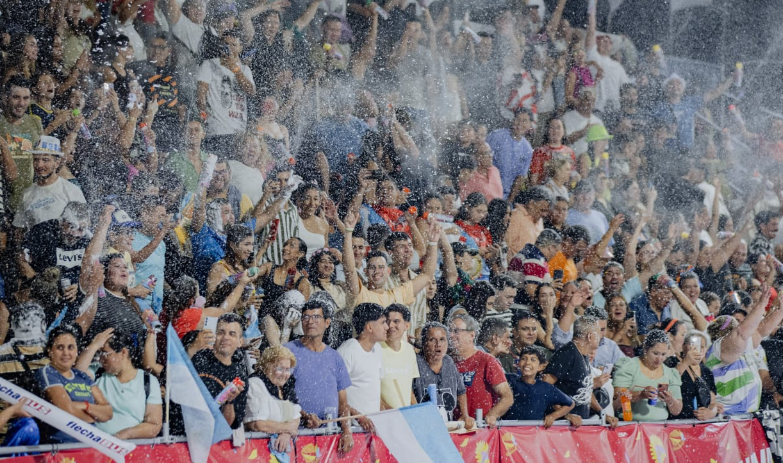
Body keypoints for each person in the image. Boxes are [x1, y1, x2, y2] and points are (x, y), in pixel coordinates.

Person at [284, 300, 356, 453]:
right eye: (305, 317)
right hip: (293, 437)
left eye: (316, 317)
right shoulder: (287, 352)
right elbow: (278, 394)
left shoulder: (335, 357)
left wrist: (347, 431)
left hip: (329, 440)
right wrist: (303, 416)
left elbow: (343, 403)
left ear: (327, 322)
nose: (310, 321)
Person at [705, 288, 783, 414]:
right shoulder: (718, 347)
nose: (741, 326)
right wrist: (761, 304)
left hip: (745, 417)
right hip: (725, 416)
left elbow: (761, 330)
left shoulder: (742, 343)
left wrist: (780, 311)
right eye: (736, 324)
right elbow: (741, 333)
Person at [75, 329, 162, 439]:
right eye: (99, 353)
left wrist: (126, 434)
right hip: (95, 443)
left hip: (131, 445)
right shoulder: (97, 372)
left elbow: (154, 425)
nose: (101, 359)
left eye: (105, 353)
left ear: (123, 352)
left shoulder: (148, 381)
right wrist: (94, 346)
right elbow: (77, 377)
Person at [36, 325, 113, 443]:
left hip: (89, 445)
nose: (66, 353)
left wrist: (85, 406)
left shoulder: (81, 375)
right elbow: (67, 411)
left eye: (70, 347)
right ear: (50, 351)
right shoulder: (47, 372)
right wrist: (94, 417)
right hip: (61, 447)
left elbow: (108, 413)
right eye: (60, 347)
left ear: (77, 350)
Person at [448, 313, 513, 427]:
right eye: (450, 331)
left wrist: (491, 416)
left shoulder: (487, 360)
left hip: (480, 429)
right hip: (454, 428)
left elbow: (507, 397)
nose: (451, 335)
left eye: (456, 331)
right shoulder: (447, 362)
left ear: (471, 335)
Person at [12, 136, 86, 231]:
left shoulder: (71, 190)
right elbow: (19, 230)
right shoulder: (27, 193)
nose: (39, 165)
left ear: (57, 163)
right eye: (36, 160)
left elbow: (83, 225)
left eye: (45, 160)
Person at [192, 313, 249, 429]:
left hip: (211, 433)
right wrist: (193, 348)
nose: (225, 337)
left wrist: (229, 401)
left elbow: (228, 426)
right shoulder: (197, 357)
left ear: (240, 342)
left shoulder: (239, 377)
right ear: (214, 335)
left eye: (232, 334)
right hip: (181, 429)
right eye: (221, 332)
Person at [412, 322, 474, 428]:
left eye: (442, 339)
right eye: (432, 340)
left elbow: (461, 391)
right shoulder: (415, 362)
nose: (438, 344)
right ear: (424, 343)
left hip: (447, 426)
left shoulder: (448, 362)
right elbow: (409, 394)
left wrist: (465, 415)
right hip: (422, 426)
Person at [612, 329, 683, 421]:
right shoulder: (629, 366)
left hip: (660, 426)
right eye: (655, 353)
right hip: (630, 425)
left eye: (663, 354)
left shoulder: (671, 373)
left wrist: (670, 399)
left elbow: (676, 411)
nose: (659, 359)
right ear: (645, 349)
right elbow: (617, 396)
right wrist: (640, 395)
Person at [542, 316, 602, 423]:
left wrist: (601, 412)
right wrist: (565, 415)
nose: (601, 336)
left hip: (577, 426)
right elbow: (544, 386)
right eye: (599, 332)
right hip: (562, 426)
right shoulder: (566, 354)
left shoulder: (583, 355)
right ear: (590, 336)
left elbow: (586, 390)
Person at [244, 345, 301, 454]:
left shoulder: (286, 386)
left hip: (281, 452)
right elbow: (257, 424)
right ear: (267, 366)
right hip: (257, 451)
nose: (284, 374)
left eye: (287, 369)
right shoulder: (255, 384)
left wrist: (286, 434)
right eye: (280, 368)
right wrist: (287, 428)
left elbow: (296, 416)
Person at [503, 345, 577, 425]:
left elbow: (570, 404)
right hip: (507, 430)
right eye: (524, 359)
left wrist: (553, 416)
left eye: (533, 360)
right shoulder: (509, 379)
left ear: (540, 367)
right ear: (518, 363)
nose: (527, 363)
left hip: (533, 431)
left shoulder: (545, 388)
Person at [338, 303, 387, 419]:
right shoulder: (347, 351)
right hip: (353, 425)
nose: (387, 327)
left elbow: (374, 391)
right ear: (369, 327)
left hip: (374, 424)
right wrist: (360, 418)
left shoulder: (378, 349)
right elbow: (335, 394)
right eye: (383, 323)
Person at [672, 330, 722, 420]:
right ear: (683, 346)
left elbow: (713, 402)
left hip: (700, 423)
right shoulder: (672, 362)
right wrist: (686, 362)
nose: (696, 349)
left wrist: (711, 412)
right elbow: (670, 380)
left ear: (706, 349)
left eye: (701, 347)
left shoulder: (707, 371)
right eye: (692, 345)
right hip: (677, 421)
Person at [486, 108, 534, 198]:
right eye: (518, 119)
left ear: (530, 125)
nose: (520, 124)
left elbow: (520, 178)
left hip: (506, 195)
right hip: (489, 190)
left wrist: (510, 201)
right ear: (513, 120)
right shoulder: (497, 136)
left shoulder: (527, 149)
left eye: (524, 121)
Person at [380, 304, 419, 409]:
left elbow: (408, 390)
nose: (391, 325)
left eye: (396, 321)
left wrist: (417, 411)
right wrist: (389, 411)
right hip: (382, 415)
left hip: (404, 415)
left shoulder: (409, 351)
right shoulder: (375, 350)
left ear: (406, 325)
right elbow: (370, 390)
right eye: (387, 321)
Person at [506, 187, 551, 257]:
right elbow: (507, 245)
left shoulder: (540, 220)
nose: (545, 214)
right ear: (531, 204)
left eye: (546, 211)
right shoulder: (516, 216)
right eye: (542, 210)